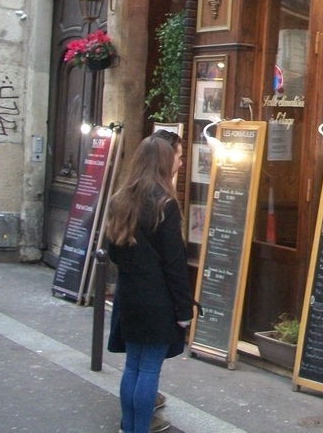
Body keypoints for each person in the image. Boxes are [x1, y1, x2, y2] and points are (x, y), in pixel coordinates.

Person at [105, 136, 194, 433]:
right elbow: (174, 263)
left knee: (132, 366)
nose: (179, 163)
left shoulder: (120, 200)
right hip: (158, 299)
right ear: (163, 163)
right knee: (149, 370)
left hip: (129, 295)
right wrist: (184, 309)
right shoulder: (164, 204)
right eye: (176, 158)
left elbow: (113, 252)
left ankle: (129, 428)